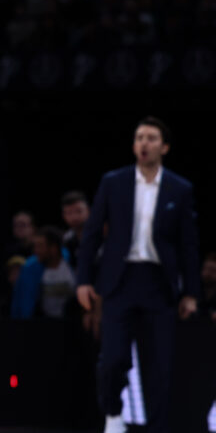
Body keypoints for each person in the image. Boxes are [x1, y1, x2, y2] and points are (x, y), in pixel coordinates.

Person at [75, 117, 200, 433]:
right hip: (120, 280)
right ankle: (113, 413)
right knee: (113, 359)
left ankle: (156, 428)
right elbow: (92, 234)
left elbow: (188, 245)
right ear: (134, 145)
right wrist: (84, 280)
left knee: (159, 364)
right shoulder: (113, 182)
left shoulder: (180, 189)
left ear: (164, 147)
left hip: (159, 283)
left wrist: (191, 292)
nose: (144, 143)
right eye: (139, 137)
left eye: (151, 138)